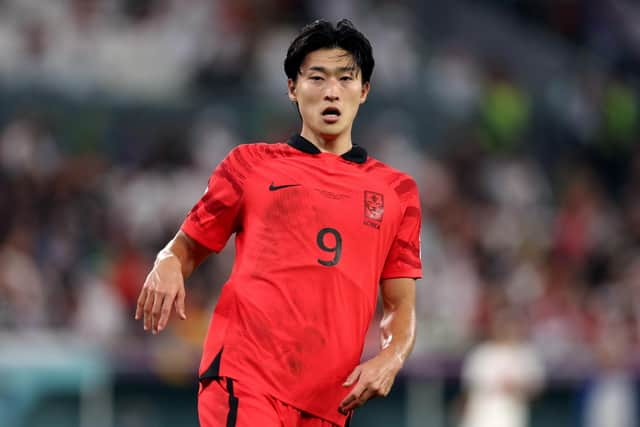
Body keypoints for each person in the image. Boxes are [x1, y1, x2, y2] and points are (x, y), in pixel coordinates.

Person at [134, 19, 422, 427]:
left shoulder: (397, 192)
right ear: (292, 88)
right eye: (316, 78)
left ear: (364, 91)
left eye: (345, 78)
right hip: (246, 377)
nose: (331, 91)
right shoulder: (249, 165)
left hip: (330, 401)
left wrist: (391, 358)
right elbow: (187, 246)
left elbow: (400, 304)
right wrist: (167, 261)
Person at [458, 307, 544, 427]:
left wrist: (517, 388)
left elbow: (535, 388)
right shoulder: (481, 353)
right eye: (504, 324)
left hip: (511, 418)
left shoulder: (526, 355)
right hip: (480, 418)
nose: (508, 329)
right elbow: (468, 390)